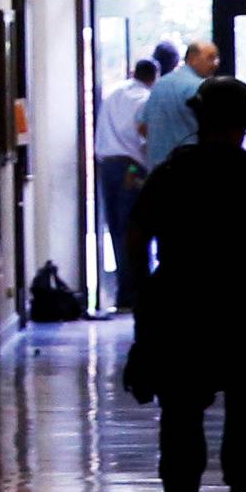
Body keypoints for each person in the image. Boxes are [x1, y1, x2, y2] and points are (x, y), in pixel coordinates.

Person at [126, 76, 246, 492]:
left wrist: (144, 294)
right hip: (241, 311)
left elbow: (136, 238)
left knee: (180, 417)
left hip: (178, 310)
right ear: (245, 121)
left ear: (197, 118)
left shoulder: (168, 174)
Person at [97, 57, 156, 310]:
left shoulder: (114, 94)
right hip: (131, 167)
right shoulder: (146, 99)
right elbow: (144, 134)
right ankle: (136, 291)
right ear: (154, 78)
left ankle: (124, 292)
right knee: (135, 228)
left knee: (117, 230)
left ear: (133, 72)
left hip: (107, 165)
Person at [140, 36, 218, 171]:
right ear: (192, 59)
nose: (215, 63)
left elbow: (142, 127)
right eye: (210, 58)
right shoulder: (200, 87)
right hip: (189, 170)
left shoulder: (160, 84)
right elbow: (214, 133)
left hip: (157, 172)